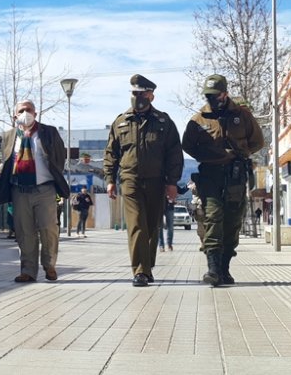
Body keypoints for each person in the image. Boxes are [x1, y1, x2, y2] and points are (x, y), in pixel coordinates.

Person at [182, 74, 263, 286]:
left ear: (224, 94)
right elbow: (187, 145)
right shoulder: (199, 119)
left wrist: (239, 154)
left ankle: (224, 268)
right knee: (212, 217)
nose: (210, 99)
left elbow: (258, 141)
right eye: (207, 96)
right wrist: (210, 155)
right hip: (210, 175)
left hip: (235, 174)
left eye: (214, 95)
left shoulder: (242, 115)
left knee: (233, 220)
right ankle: (213, 269)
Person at [104, 75, 184, 287]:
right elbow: (111, 153)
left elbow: (174, 154)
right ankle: (140, 271)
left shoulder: (164, 122)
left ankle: (146, 268)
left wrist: (172, 182)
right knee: (137, 224)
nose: (137, 97)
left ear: (151, 96)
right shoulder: (120, 122)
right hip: (130, 180)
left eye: (141, 93)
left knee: (152, 226)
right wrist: (110, 179)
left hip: (157, 181)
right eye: (134, 93)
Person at [0, 100, 69, 283]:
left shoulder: (49, 132)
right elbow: (7, 159)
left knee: (48, 228)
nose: (25, 113)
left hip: (45, 188)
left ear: (35, 114)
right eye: (21, 110)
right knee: (24, 231)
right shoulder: (9, 136)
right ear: (15, 116)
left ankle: (49, 265)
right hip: (19, 190)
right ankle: (28, 270)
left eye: (29, 110)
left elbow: (60, 157)